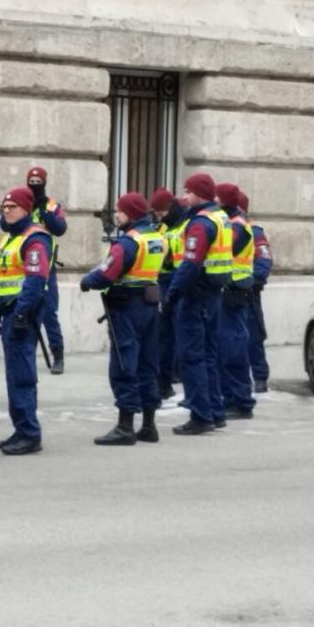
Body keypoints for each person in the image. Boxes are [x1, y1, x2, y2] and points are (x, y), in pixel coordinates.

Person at [80, 193, 164, 446]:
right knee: (148, 364)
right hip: (150, 305)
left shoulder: (128, 243)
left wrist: (87, 281)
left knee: (124, 363)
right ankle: (149, 425)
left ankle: (125, 427)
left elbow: (106, 274)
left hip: (127, 308)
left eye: (119, 211)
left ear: (131, 213)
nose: (116, 215)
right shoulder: (157, 238)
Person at [162, 173, 233, 436]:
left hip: (196, 294)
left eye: (187, 192)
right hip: (212, 294)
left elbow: (190, 264)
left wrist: (172, 294)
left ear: (199, 194)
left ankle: (201, 415)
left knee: (192, 356)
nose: (183, 197)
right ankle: (215, 411)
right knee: (209, 354)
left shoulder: (200, 224)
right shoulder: (219, 216)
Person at [0, 188, 51, 456]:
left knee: (22, 375)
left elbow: (35, 280)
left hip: (22, 313)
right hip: (9, 311)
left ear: (26, 209)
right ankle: (21, 429)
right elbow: (5, 279)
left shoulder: (34, 239)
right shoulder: (9, 238)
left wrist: (21, 313)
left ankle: (29, 433)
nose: (7, 211)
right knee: (14, 374)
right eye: (4, 207)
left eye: (12, 207)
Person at [215, 183, 256, 420]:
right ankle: (231, 398)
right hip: (228, 291)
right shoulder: (231, 223)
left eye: (216, 197)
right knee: (226, 347)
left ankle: (240, 401)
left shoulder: (237, 226)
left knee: (233, 348)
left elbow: (222, 250)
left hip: (234, 292)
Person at [25, 166, 67, 373]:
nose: (34, 186)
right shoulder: (22, 203)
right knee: (28, 311)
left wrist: (44, 211)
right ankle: (28, 355)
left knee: (49, 312)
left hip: (46, 267)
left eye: (38, 182)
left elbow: (60, 228)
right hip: (25, 266)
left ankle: (58, 355)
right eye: (31, 182)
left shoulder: (51, 205)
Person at [150, 187, 186, 400]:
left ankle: (173, 375)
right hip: (163, 282)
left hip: (179, 282)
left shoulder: (186, 225)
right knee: (164, 333)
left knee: (177, 331)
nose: (158, 216)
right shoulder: (163, 226)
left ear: (170, 207)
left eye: (160, 211)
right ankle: (166, 379)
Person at [239, 192, 272, 392]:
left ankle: (260, 377)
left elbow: (263, 262)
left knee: (253, 336)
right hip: (230, 292)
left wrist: (252, 282)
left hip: (248, 293)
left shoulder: (254, 232)